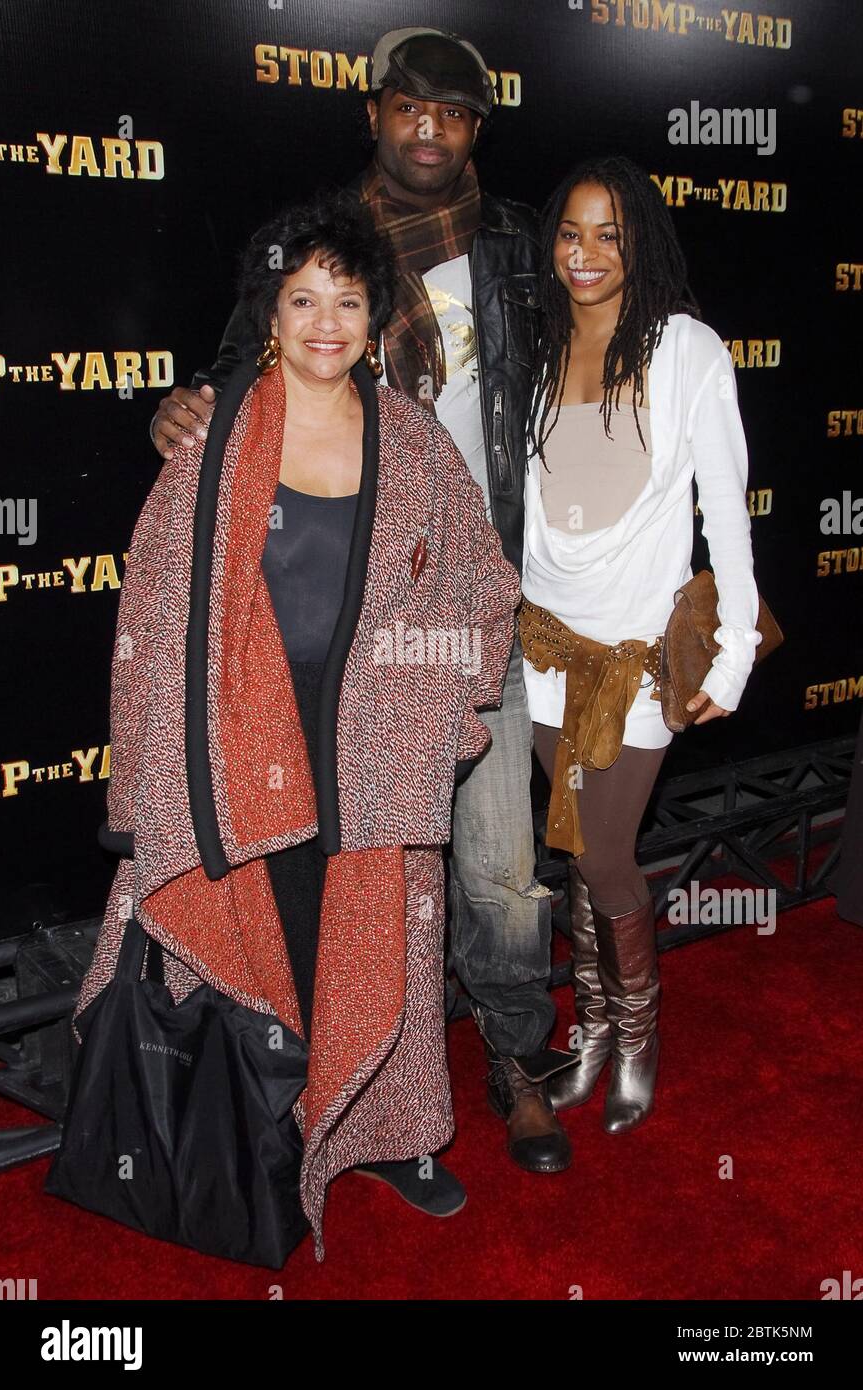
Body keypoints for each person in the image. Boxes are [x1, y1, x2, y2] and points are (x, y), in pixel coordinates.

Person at [147, 27, 578, 1177]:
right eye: (408, 106)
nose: (428, 126)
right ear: (374, 115)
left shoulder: (519, 245)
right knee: (361, 866)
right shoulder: (320, 241)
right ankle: (351, 1078)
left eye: (453, 111)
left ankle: (516, 1058)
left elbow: (592, 370)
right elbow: (242, 363)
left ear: (476, 127)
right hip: (345, 622)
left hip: (481, 598)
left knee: (495, 863)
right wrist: (188, 403)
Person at [73, 191, 520, 1261]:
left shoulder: (412, 441)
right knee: (266, 947)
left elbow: (484, 586)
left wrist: (433, 712)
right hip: (240, 758)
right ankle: (258, 1124)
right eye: (301, 298)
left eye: (349, 300)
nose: (326, 321)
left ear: (376, 319)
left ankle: (389, 1135)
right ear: (267, 314)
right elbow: (149, 611)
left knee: (380, 953)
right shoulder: (214, 436)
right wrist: (139, 787)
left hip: (373, 759)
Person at [521, 156, 761, 1133]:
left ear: (640, 244)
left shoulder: (685, 350)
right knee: (580, 858)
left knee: (607, 857)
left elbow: (726, 513)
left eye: (608, 234)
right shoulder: (536, 349)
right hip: (542, 651)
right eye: (570, 233)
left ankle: (633, 1038)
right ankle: (587, 1036)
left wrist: (734, 647)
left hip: (631, 660)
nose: (584, 254)